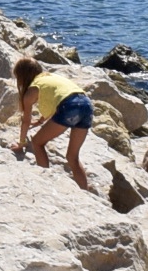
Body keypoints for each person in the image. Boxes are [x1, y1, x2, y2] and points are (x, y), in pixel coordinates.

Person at [8, 57, 95, 191]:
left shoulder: (31, 91)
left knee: (37, 142)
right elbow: (58, 98)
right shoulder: (50, 77)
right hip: (86, 105)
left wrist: (21, 143)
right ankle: (85, 191)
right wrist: (42, 120)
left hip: (69, 107)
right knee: (72, 157)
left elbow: (25, 121)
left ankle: (45, 184)